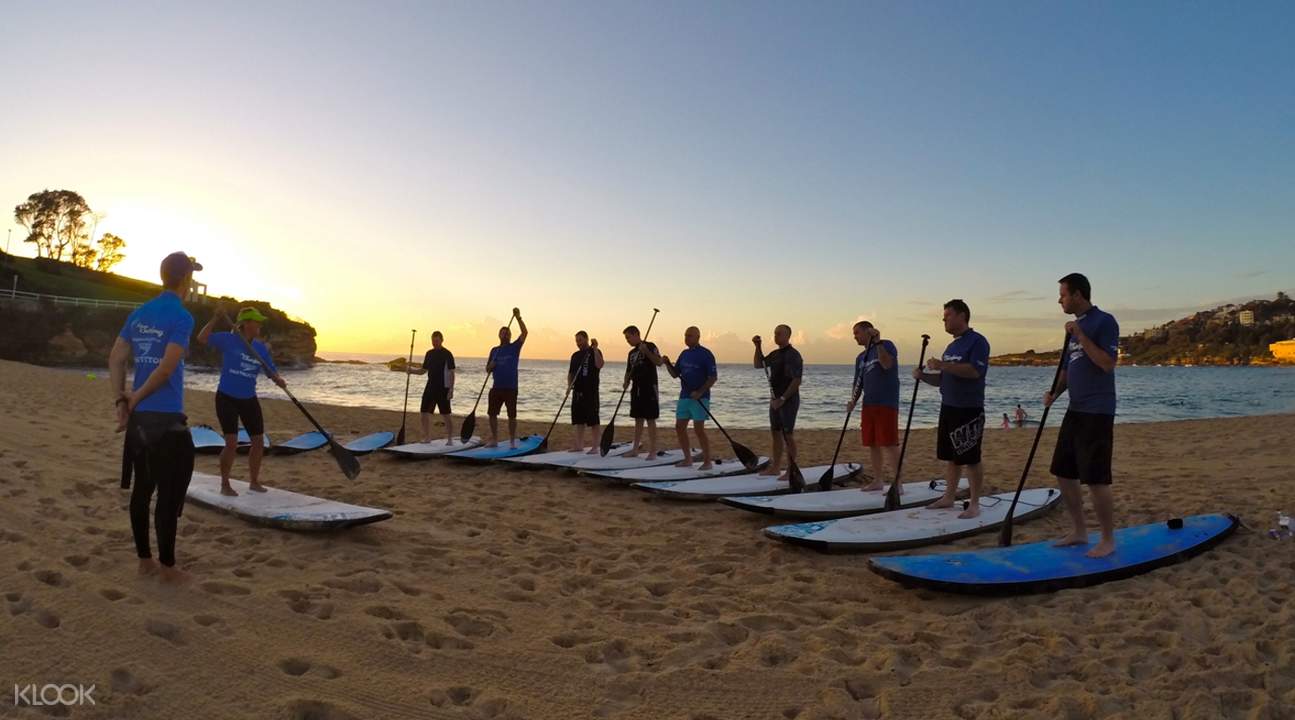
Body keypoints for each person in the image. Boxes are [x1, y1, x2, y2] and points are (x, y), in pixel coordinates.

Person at [109, 252, 201, 585]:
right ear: (186, 279)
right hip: (166, 423)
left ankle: (144, 562)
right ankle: (168, 568)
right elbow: (165, 369)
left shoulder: (140, 313)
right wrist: (135, 397)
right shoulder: (182, 317)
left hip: (139, 422)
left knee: (141, 492)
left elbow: (116, 358)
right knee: (169, 495)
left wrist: (124, 399)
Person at [1046, 273, 1119, 558]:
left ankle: (1108, 538)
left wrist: (1080, 335)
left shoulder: (1104, 321)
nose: (1059, 300)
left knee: (1096, 478)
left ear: (1077, 295)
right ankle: (1079, 531)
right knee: (1063, 472)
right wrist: (1055, 392)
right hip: (1075, 408)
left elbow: (1106, 364)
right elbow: (1068, 369)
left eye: (1063, 294)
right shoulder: (1074, 329)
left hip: (1097, 410)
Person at [197, 306, 287, 496]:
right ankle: (225, 484)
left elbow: (269, 370)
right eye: (256, 321)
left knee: (258, 441)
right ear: (246, 324)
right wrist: (214, 319)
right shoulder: (229, 339)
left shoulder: (260, 348)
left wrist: (277, 379)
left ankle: (254, 482)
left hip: (248, 398)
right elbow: (202, 338)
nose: (260, 325)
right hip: (226, 397)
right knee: (231, 443)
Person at [913, 300, 990, 519]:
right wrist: (923, 376)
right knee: (951, 457)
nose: (943, 319)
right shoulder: (951, 346)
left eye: (947, 315)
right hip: (948, 406)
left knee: (971, 457)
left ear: (961, 315)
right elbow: (943, 380)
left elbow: (975, 371)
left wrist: (942, 365)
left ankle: (974, 503)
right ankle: (949, 496)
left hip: (969, 408)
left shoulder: (978, 341)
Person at [845, 321, 900, 492]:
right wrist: (853, 400)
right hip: (868, 404)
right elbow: (858, 382)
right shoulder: (860, 358)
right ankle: (878, 480)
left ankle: (898, 483)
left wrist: (877, 342)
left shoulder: (886, 345)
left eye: (857, 333)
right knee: (872, 443)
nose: (854, 336)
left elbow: (887, 364)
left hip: (886, 402)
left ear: (868, 331)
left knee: (889, 443)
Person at [662, 326, 717, 470]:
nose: (687, 338)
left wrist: (700, 392)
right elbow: (675, 374)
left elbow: (713, 377)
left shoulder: (706, 354)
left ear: (698, 337)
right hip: (685, 396)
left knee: (699, 429)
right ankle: (688, 459)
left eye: (690, 336)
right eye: (685, 335)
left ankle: (707, 461)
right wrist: (668, 363)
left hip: (700, 398)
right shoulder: (684, 354)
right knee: (679, 427)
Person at [753, 325, 803, 482]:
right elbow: (758, 364)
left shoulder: (794, 355)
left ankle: (790, 470)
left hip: (788, 400)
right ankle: (775, 468)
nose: (776, 336)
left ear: (788, 335)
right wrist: (758, 347)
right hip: (774, 401)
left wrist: (782, 399)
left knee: (788, 435)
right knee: (775, 434)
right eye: (775, 333)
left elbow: (797, 380)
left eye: (780, 334)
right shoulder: (774, 354)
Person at [485, 308, 527, 448]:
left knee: (512, 416)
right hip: (497, 387)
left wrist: (518, 318)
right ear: (499, 335)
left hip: (511, 387)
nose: (505, 334)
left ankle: (512, 441)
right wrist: (491, 365)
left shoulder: (514, 347)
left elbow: (524, 333)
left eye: (507, 333)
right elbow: (487, 370)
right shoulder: (494, 350)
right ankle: (495, 439)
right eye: (503, 333)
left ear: (510, 336)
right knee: (492, 414)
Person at [620, 324, 663, 459]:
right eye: (626, 339)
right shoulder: (631, 353)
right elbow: (628, 370)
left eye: (628, 338)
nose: (627, 341)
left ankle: (653, 451)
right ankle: (635, 449)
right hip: (636, 388)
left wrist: (647, 352)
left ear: (636, 334)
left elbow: (659, 362)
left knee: (650, 418)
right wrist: (626, 381)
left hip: (649, 386)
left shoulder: (650, 346)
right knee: (638, 419)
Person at [406, 331, 456, 444]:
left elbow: (452, 372)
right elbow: (423, 371)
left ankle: (450, 439)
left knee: (446, 414)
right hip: (430, 386)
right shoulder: (429, 353)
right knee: (424, 413)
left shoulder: (447, 354)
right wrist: (411, 371)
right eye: (433, 341)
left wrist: (451, 389)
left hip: (443, 387)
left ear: (442, 340)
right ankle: (427, 437)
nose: (435, 343)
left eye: (437, 341)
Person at [567, 331, 604, 453]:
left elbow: (600, 365)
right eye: (576, 340)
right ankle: (579, 445)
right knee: (579, 420)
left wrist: (595, 349)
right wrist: (569, 386)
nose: (578, 343)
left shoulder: (594, 352)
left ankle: (595, 446)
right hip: (577, 391)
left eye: (580, 340)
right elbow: (571, 373)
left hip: (591, 391)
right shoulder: (575, 355)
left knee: (593, 419)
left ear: (586, 339)